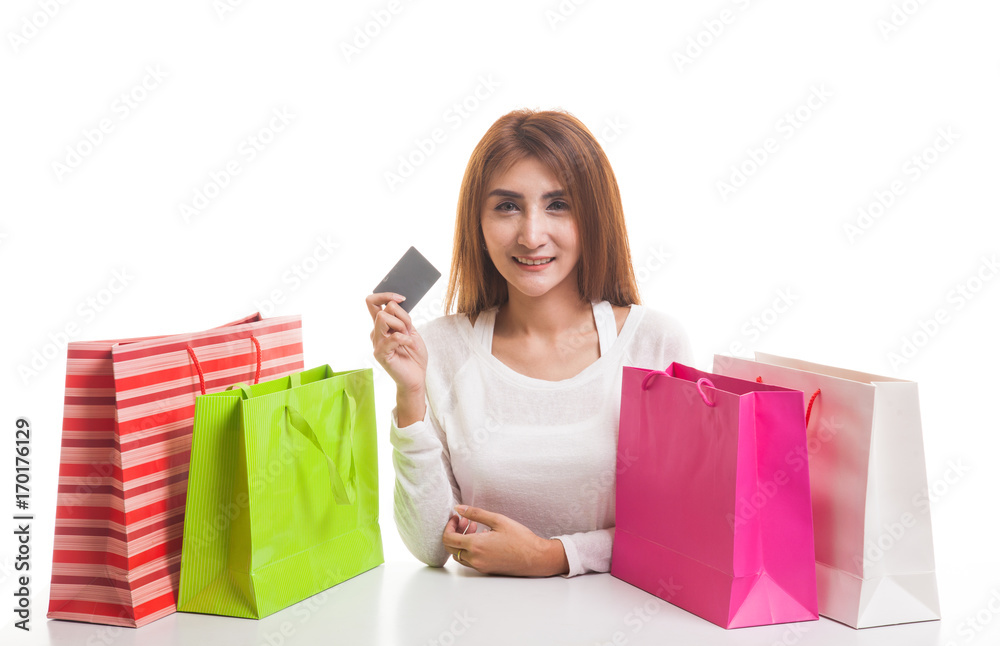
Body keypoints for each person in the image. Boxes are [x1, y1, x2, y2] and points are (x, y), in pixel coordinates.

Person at [366, 108, 693, 578]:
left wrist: (553, 556)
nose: (532, 235)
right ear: (477, 223)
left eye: (558, 205)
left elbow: (681, 527)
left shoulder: (655, 345)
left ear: (594, 217)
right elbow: (430, 546)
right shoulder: (438, 349)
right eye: (507, 206)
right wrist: (410, 395)